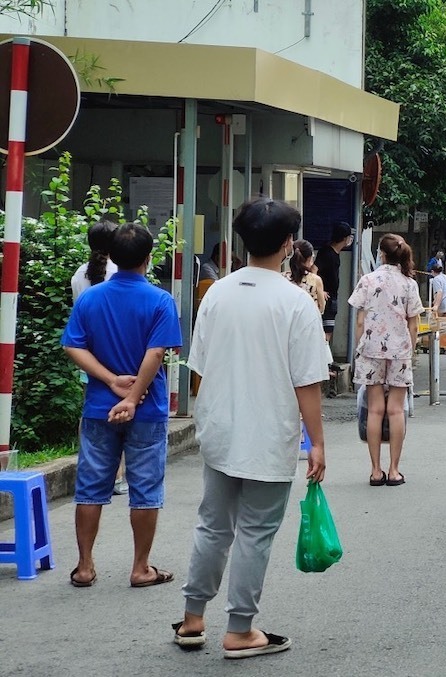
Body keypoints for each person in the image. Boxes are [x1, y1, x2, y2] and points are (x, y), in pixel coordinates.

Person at [175, 198, 329, 659]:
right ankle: (240, 629)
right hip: (268, 434)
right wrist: (317, 442)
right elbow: (307, 381)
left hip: (220, 428)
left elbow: (197, 367)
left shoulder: (216, 293)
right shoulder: (295, 302)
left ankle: (192, 617)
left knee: (212, 525)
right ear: (287, 245)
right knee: (256, 532)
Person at [61, 222, 182, 588]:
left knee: (90, 486)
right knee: (146, 488)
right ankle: (140, 567)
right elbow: (156, 352)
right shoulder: (160, 300)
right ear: (148, 259)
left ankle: (84, 566)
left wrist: (110, 381)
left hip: (99, 406)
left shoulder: (90, 298)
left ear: (111, 257)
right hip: (147, 409)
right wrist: (131, 396)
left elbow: (73, 346)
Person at [348, 234, 424, 486]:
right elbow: (414, 323)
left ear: (380, 253)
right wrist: (409, 349)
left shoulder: (367, 281)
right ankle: (394, 470)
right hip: (399, 350)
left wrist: (361, 346)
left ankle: (375, 471)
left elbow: (360, 321)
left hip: (371, 350)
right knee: (395, 410)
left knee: (375, 409)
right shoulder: (408, 284)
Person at [71, 220, 129, 496]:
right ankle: (117, 476)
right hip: (118, 353)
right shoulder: (119, 272)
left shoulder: (79, 274)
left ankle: (90, 470)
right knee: (120, 414)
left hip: (89, 356)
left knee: (91, 410)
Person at [316, 221, 354, 344]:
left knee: (328, 330)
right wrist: (320, 290)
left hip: (332, 297)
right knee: (326, 331)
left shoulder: (334, 253)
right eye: (349, 236)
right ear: (344, 238)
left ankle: (326, 359)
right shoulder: (327, 253)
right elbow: (313, 270)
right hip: (326, 298)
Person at [289, 239, 326, 313]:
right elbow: (321, 307)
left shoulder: (282, 278)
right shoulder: (316, 280)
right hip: (309, 321)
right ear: (309, 259)